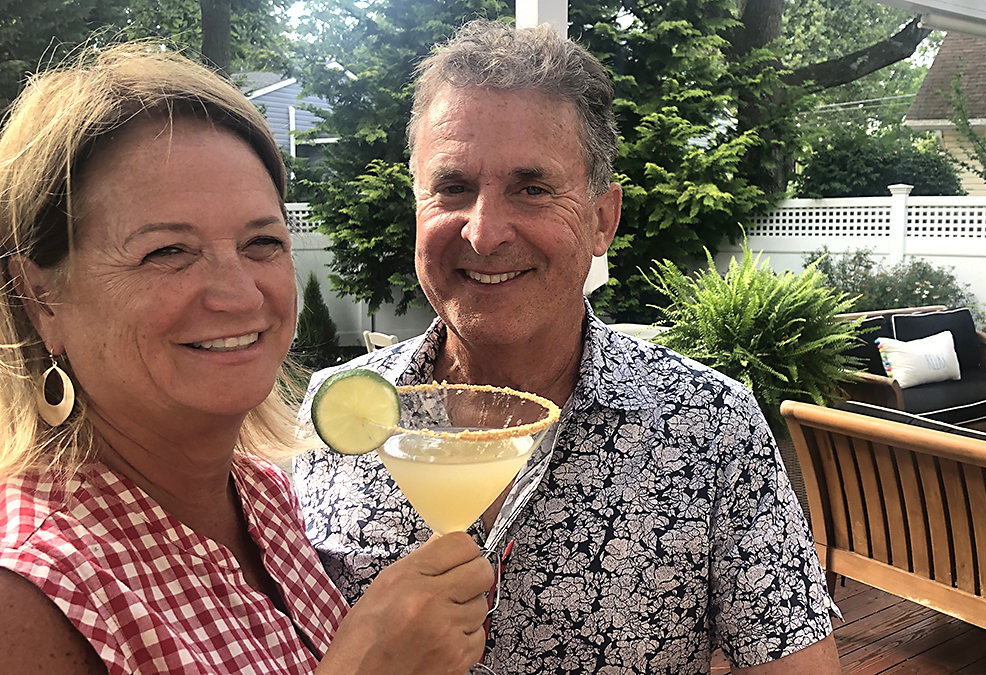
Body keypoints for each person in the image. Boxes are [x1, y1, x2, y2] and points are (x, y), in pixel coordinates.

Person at [294, 19, 841, 675]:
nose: (484, 231)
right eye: (452, 187)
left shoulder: (712, 426)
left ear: (602, 219)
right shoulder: (336, 412)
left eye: (531, 188)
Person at [0, 44, 495, 675]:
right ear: (42, 298)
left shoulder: (262, 494)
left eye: (262, 242)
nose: (238, 294)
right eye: (167, 252)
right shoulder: (27, 592)